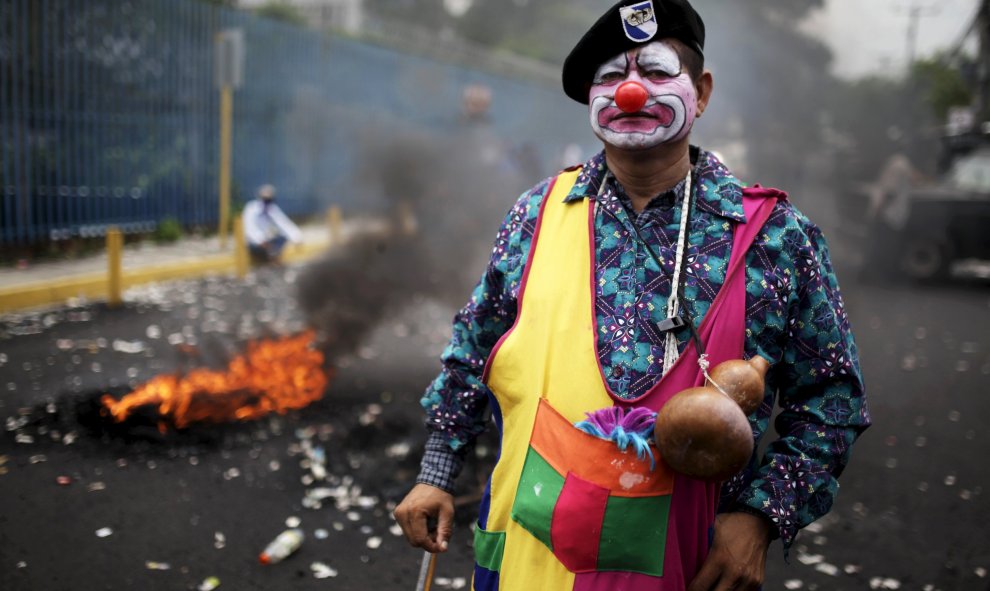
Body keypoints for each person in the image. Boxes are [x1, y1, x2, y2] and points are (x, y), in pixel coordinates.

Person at [394, 1, 871, 589]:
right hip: (525, 566)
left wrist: (758, 517)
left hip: (684, 570)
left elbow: (831, 399)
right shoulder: (535, 214)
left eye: (655, 72)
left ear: (701, 92)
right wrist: (436, 471)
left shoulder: (774, 236)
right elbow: (475, 346)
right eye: (612, 77)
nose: (630, 92)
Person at [242, 184, 302, 263]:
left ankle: (273, 257)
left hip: (267, 242)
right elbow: (249, 228)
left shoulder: (272, 209)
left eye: (269, 199)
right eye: (265, 198)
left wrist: (297, 237)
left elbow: (284, 224)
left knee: (282, 237)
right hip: (254, 243)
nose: (267, 201)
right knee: (262, 247)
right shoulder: (251, 208)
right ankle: (270, 257)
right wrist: (260, 240)